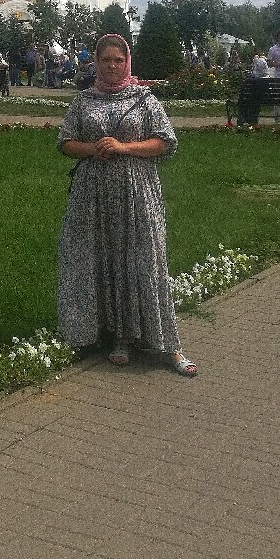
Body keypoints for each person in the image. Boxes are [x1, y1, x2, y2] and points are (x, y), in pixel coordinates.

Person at [55, 33, 196, 377]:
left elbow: (165, 143)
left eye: (119, 60)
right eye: (106, 60)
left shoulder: (145, 100)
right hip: (93, 197)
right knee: (103, 259)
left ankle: (168, 342)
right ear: (97, 63)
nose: (113, 66)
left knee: (144, 260)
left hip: (137, 193)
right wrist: (95, 149)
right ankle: (119, 336)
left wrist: (123, 148)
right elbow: (65, 143)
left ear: (127, 62)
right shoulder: (84, 101)